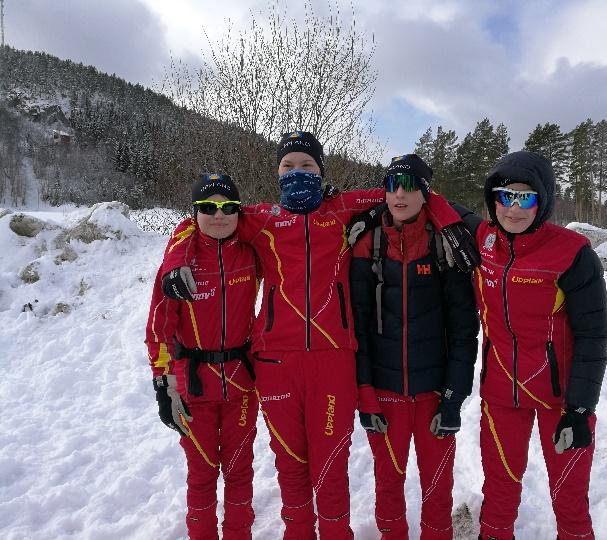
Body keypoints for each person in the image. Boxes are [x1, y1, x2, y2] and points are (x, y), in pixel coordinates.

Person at [159, 132, 479, 540]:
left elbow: (408, 190)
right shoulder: (262, 220)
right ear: (277, 172)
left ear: (321, 170)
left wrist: (450, 223)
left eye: (307, 165)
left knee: (330, 466)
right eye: (288, 166)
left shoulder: (344, 208)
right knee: (290, 466)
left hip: (333, 360)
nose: (298, 173)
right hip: (276, 364)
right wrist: (175, 257)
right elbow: (199, 220)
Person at [457, 151, 607, 540]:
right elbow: (443, 208)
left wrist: (580, 408)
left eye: (525, 197)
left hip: (560, 400)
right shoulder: (484, 238)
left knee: (570, 499)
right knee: (499, 492)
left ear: (542, 201)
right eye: (504, 196)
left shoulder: (573, 254)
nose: (513, 208)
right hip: (501, 395)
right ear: (493, 200)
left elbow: (594, 335)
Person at [349, 154, 479, 539]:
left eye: (410, 186)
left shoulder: (445, 245)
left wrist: (454, 399)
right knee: (388, 487)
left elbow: (463, 330)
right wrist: (366, 395)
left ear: (426, 194)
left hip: (434, 395)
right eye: (392, 186)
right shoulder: (367, 244)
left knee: (437, 488)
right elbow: (356, 327)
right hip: (385, 396)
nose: (400, 194)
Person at [145, 173, 260, 540]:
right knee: (202, 473)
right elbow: (158, 328)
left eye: (228, 207)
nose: (219, 215)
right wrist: (164, 385)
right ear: (194, 213)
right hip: (194, 384)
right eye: (207, 207)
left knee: (241, 471)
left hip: (243, 382)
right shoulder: (179, 264)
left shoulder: (251, 250)